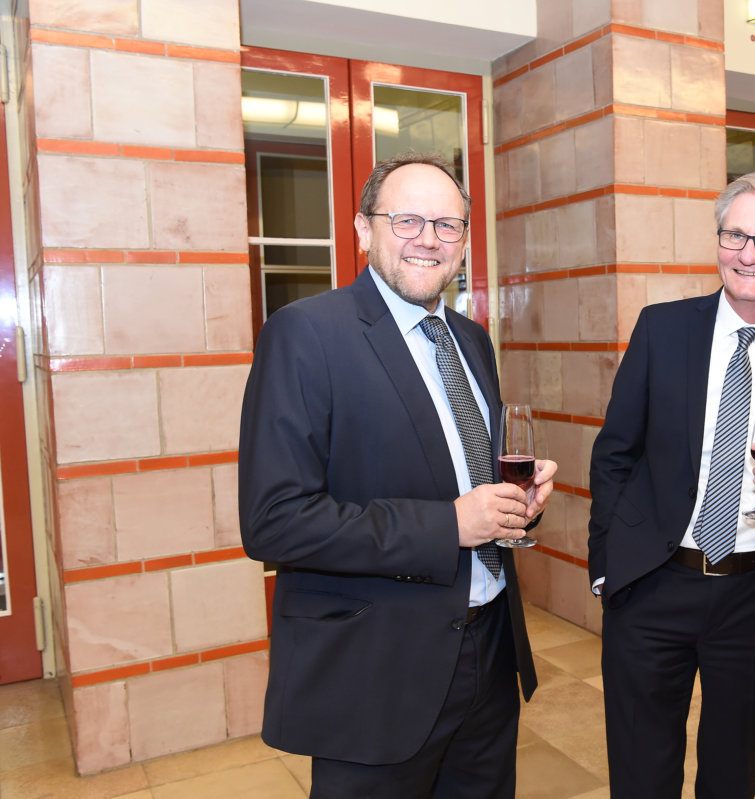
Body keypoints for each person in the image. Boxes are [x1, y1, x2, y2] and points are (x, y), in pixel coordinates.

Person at [238, 153, 556, 798]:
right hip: (377, 667)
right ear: (364, 229)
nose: (429, 239)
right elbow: (273, 523)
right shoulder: (305, 334)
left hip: (490, 649)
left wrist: (517, 504)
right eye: (407, 220)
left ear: (464, 239)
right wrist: (450, 526)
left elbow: (467, 473)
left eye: (448, 224)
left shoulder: (470, 339)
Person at [588, 173, 755, 798]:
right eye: (735, 235)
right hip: (652, 582)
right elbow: (615, 453)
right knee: (640, 768)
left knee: (732, 770)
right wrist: (608, 564)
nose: (749, 254)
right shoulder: (661, 329)